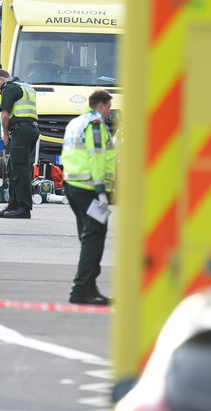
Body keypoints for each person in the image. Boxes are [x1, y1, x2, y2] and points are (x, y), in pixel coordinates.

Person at [62, 90, 116, 306]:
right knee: (93, 238)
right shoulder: (94, 125)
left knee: (89, 236)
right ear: (101, 105)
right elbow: (96, 158)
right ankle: (81, 289)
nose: (110, 112)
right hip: (89, 187)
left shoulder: (75, 123)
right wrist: (101, 190)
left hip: (73, 186)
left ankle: (90, 287)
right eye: (109, 107)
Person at [0, 69, 39, 219]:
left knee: (20, 168)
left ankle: (24, 207)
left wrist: (5, 135)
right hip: (30, 129)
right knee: (12, 167)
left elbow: (4, 114)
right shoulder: (26, 86)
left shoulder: (9, 87)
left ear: (1, 79)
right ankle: (13, 204)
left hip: (21, 131)